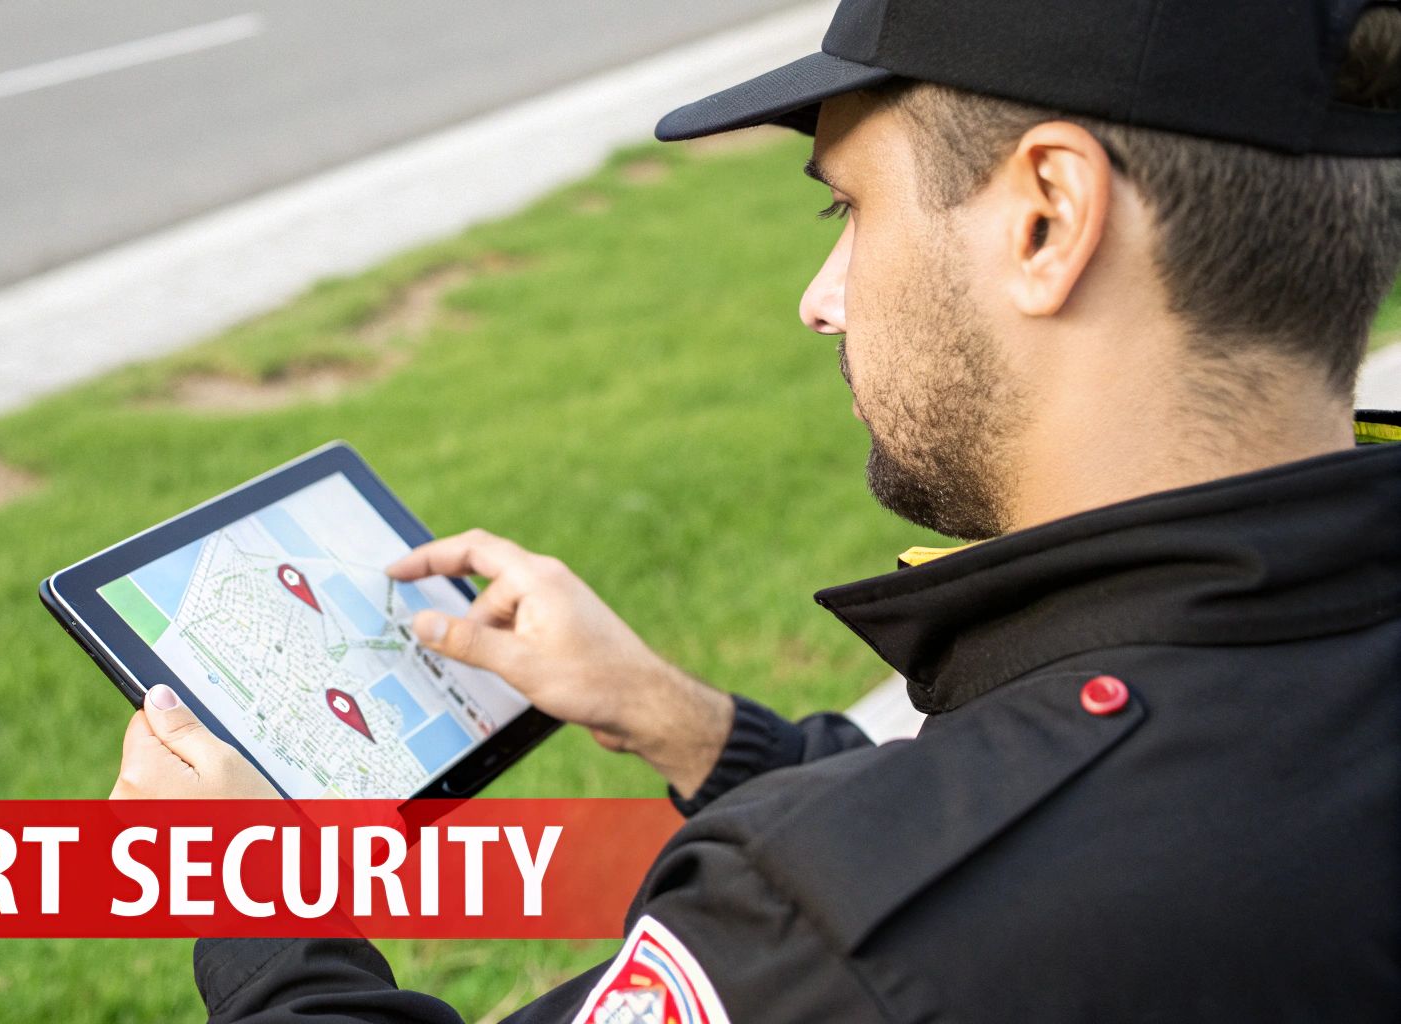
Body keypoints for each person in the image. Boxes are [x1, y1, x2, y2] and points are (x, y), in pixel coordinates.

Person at [110, 0, 1401, 1019]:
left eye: (852, 208)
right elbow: (1021, 821)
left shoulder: (831, 931)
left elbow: (946, 887)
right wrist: (686, 724)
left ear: (1046, 219)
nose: (822, 298)